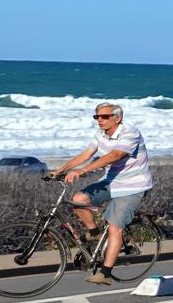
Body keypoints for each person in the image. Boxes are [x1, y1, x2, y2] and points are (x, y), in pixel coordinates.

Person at [48, 103, 154, 283]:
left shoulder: (130, 132)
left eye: (104, 117)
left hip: (132, 186)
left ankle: (105, 273)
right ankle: (95, 233)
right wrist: (60, 170)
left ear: (117, 118)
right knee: (78, 199)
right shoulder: (100, 134)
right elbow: (86, 154)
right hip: (111, 182)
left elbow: (115, 155)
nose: (100, 120)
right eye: (97, 117)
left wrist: (84, 171)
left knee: (114, 227)